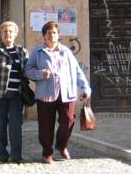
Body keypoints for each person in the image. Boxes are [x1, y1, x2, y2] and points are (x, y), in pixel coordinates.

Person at [25, 20, 91, 164]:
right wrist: (40, 74)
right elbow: (28, 70)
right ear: (44, 36)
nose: (52, 35)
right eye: (49, 33)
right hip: (46, 94)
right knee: (45, 125)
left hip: (66, 93)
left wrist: (85, 88)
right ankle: (47, 152)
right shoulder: (37, 52)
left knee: (68, 120)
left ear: (58, 35)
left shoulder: (66, 52)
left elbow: (77, 71)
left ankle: (62, 146)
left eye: (54, 33)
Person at [0, 20, 28, 163]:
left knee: (16, 124)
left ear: (15, 34)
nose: (7, 33)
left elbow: (28, 70)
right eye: (5, 31)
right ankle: (2, 154)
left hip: (16, 95)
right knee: (0, 124)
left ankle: (16, 155)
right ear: (1, 34)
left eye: (10, 31)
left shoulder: (22, 51)